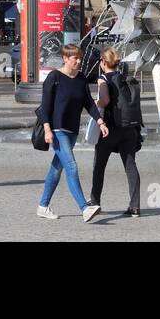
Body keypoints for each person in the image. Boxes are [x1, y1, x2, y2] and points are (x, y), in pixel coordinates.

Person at [37, 44, 106, 222]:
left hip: (72, 130)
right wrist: (47, 129)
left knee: (56, 169)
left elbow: (89, 103)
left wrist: (100, 121)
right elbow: (45, 106)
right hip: (57, 129)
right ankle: (84, 208)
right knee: (72, 166)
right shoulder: (54, 77)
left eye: (80, 58)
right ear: (65, 58)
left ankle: (42, 206)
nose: (79, 61)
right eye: (75, 58)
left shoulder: (81, 78)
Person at [90, 48, 142, 216]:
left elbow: (104, 101)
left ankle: (95, 201)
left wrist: (93, 102)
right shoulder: (125, 78)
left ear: (103, 63)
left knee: (99, 166)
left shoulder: (103, 78)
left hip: (110, 129)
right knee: (130, 167)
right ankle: (135, 206)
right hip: (129, 129)